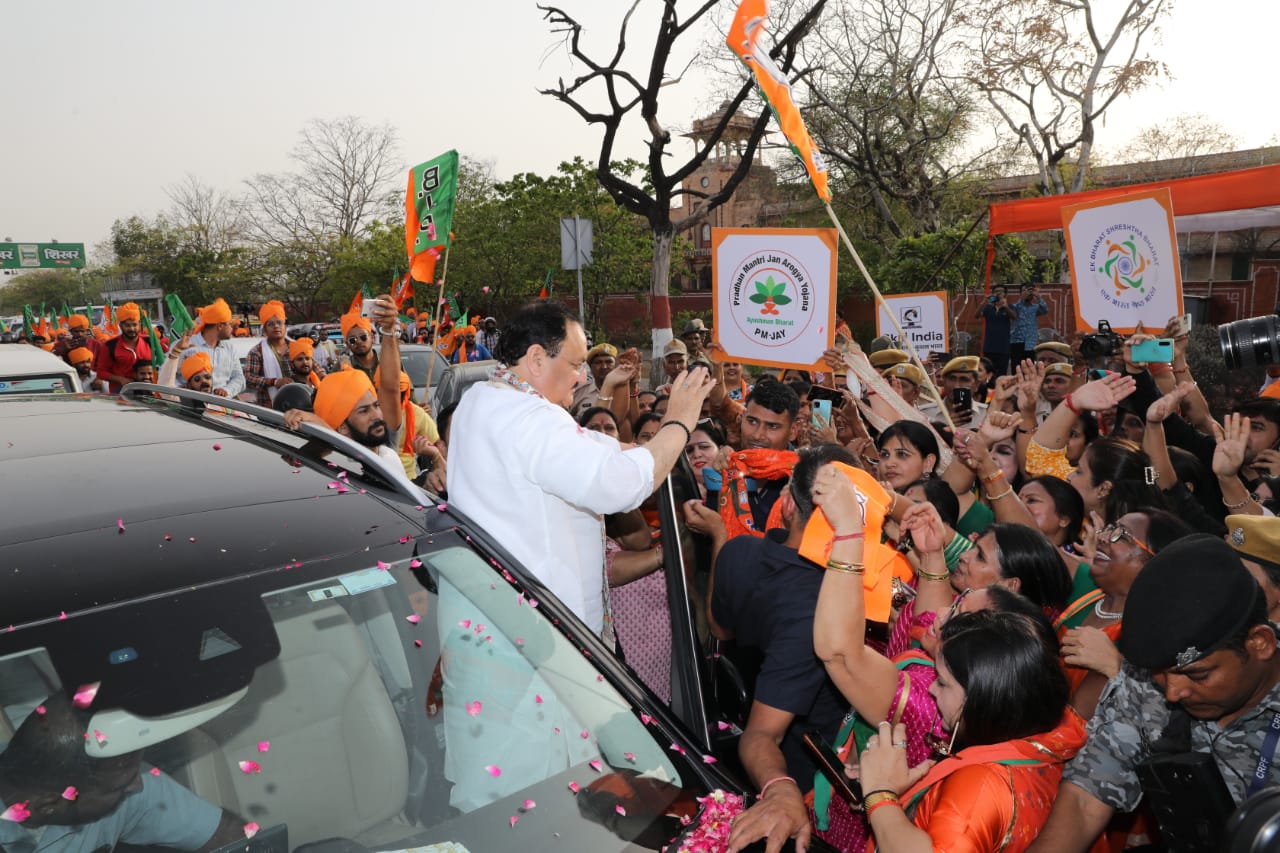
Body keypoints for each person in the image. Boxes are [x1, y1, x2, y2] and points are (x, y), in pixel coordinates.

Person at [446, 299, 713, 635]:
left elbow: (586, 450)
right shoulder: (529, 418)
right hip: (538, 642)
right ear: (537, 359)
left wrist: (629, 448)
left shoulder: (481, 398)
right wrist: (680, 420)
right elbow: (621, 484)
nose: (582, 375)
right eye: (575, 364)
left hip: (503, 621)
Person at [1028, 535, 1280, 852]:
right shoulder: (1146, 681)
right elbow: (1084, 802)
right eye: (1161, 673)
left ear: (1260, 643)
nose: (1173, 692)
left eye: (1197, 674)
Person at [709, 445, 859, 847]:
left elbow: (719, 630)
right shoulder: (824, 602)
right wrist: (779, 789)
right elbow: (760, 736)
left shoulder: (736, 551)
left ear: (788, 504)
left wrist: (719, 539)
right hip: (809, 771)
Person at [0, 694, 246, 853]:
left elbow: (229, 835)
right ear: (50, 805)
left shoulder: (123, 782)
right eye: (117, 788)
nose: (137, 786)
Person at [283, 296, 408, 486]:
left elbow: (390, 388)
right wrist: (321, 426)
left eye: (375, 405)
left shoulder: (386, 452)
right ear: (341, 427)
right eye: (364, 411)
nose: (377, 415)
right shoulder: (342, 465)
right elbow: (307, 455)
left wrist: (390, 331)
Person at [172, 299, 245, 399]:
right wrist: (181, 388)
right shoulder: (185, 345)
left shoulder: (230, 349)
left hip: (223, 408)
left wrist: (226, 391)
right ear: (219, 326)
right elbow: (168, 375)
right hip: (191, 407)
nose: (232, 328)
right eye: (230, 324)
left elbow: (239, 378)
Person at [93, 303, 153, 394]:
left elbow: (161, 364)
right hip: (121, 391)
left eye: (134, 325)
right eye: (127, 325)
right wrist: (120, 379)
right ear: (120, 326)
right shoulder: (110, 345)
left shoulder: (150, 342)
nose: (132, 329)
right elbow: (101, 372)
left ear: (140, 325)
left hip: (148, 390)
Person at [244, 300, 292, 407]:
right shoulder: (256, 352)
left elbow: (314, 369)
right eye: (271, 324)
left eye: (279, 322)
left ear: (285, 326)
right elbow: (249, 378)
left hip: (300, 405)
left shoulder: (298, 347)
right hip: (270, 410)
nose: (276, 326)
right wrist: (274, 382)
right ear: (265, 329)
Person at [571, 343, 618, 417]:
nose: (604, 367)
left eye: (609, 362)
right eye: (598, 362)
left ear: (615, 366)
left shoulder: (623, 391)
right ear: (590, 367)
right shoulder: (581, 391)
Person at [1009, 283, 1048, 367]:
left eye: (1030, 291)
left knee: (1029, 369)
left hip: (1030, 343)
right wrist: (1022, 298)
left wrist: (1038, 296)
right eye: (1024, 291)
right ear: (1020, 294)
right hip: (1016, 342)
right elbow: (1015, 311)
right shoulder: (1014, 306)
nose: (1028, 293)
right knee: (1016, 369)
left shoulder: (1035, 308)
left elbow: (1045, 309)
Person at [978, 285, 1014, 376]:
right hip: (989, 346)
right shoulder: (988, 308)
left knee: (1001, 373)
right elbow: (976, 315)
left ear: (1005, 294)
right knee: (988, 373)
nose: (998, 293)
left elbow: (1014, 317)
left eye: (1001, 291)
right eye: (996, 291)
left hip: (1003, 347)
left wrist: (1005, 306)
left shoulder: (1010, 307)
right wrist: (983, 303)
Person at [341, 313, 379, 381]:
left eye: (363, 337)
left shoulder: (388, 362)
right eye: (352, 340)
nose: (359, 342)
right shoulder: (342, 367)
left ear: (372, 338)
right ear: (347, 344)